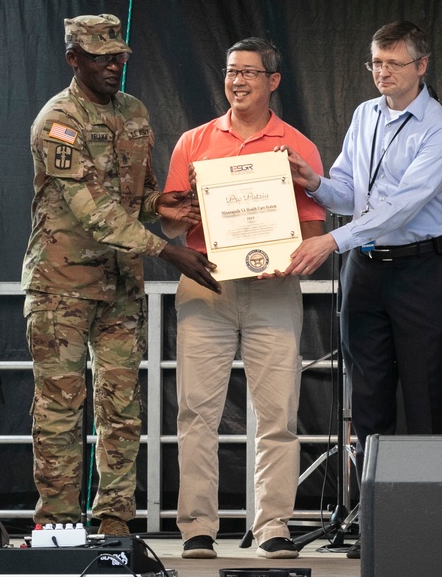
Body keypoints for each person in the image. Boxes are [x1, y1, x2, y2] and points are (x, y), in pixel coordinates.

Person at [23, 14, 219, 537]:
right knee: (61, 409)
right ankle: (57, 524)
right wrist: (168, 250)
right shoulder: (59, 121)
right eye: (99, 56)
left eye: (119, 56)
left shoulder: (134, 112)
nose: (112, 65)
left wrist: (168, 204)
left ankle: (113, 521)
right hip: (60, 287)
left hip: (119, 287)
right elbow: (92, 210)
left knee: (121, 409)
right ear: (73, 59)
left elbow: (139, 196)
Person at [283, 21, 442, 558]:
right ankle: (375, 522)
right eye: (376, 64)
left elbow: (402, 206)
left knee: (425, 398)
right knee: (368, 398)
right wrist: (313, 183)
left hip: (418, 272)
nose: (382, 73)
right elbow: (348, 192)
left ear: (421, 66)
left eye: (393, 64)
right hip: (365, 270)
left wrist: (330, 242)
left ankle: (429, 526)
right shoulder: (365, 115)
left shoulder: (439, 129)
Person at [161, 37, 326, 560]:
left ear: (273, 81)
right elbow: (165, 217)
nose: (237, 81)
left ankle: (273, 525)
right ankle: (197, 529)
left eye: (250, 73)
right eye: (232, 71)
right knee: (196, 412)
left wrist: (287, 251)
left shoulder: (297, 146)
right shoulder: (194, 141)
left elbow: (312, 225)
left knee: (278, 414)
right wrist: (184, 207)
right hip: (205, 284)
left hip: (273, 288)